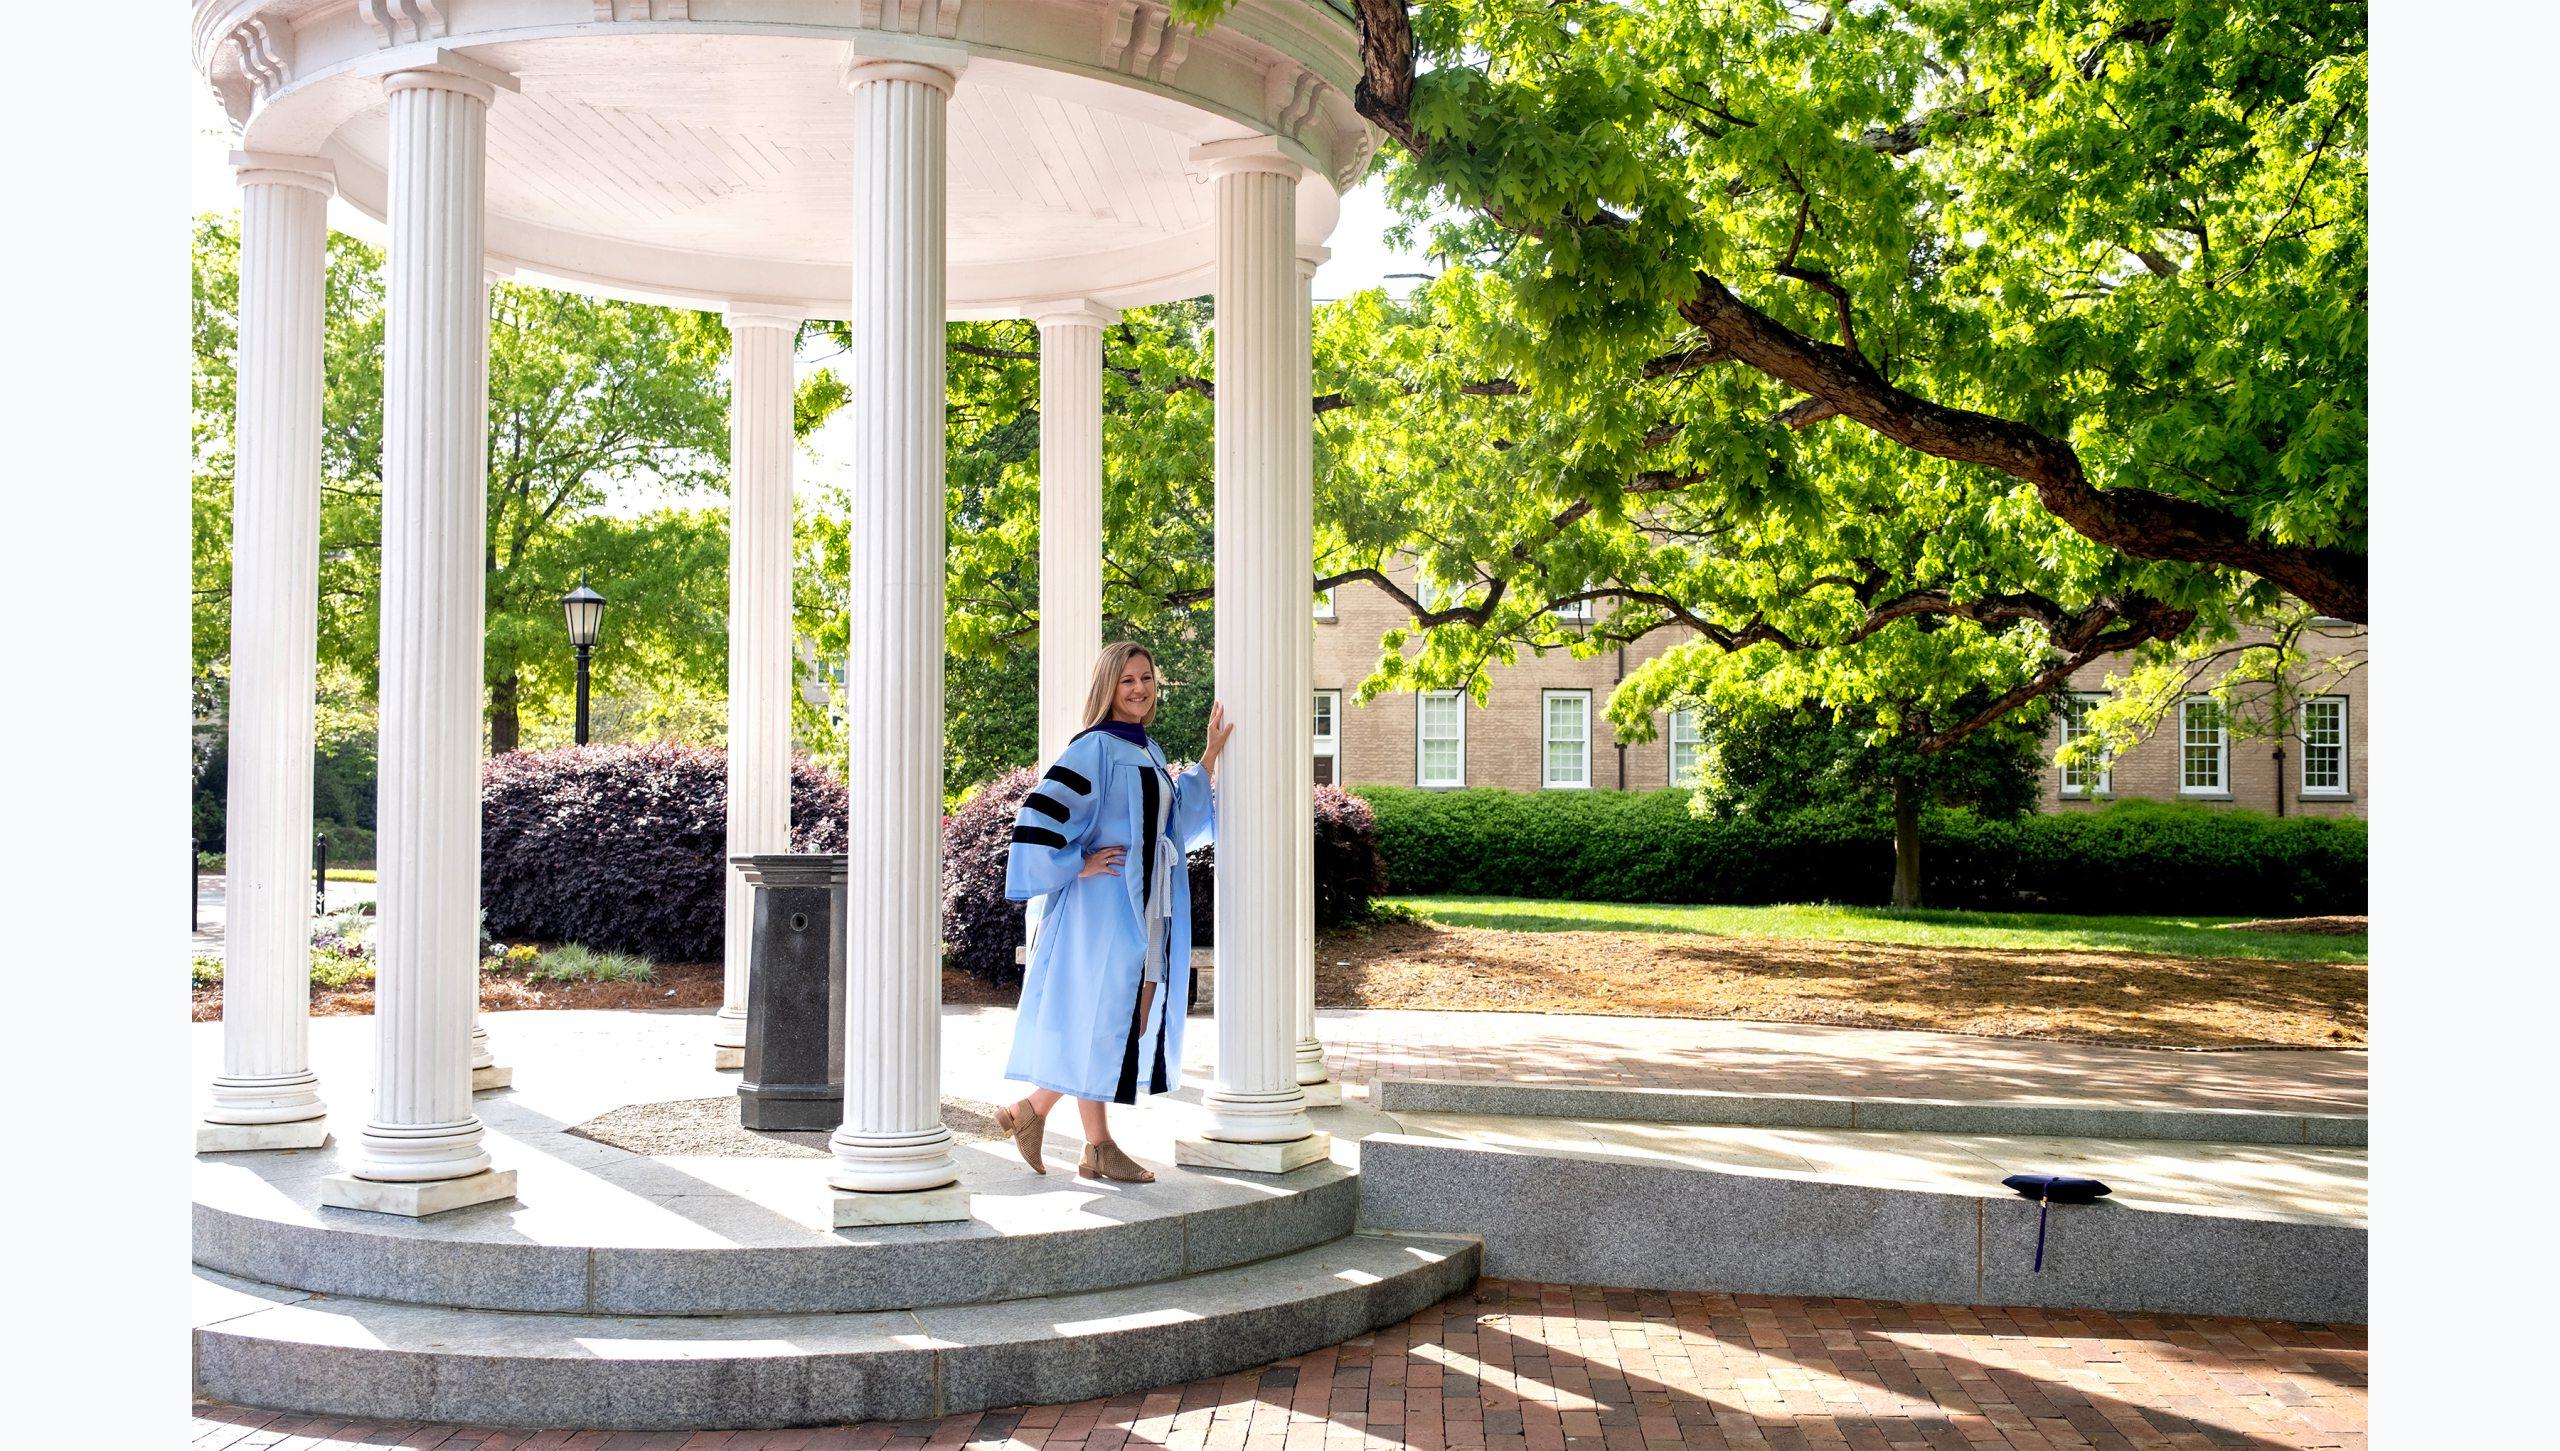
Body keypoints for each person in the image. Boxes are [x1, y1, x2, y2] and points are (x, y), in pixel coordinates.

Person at [994, 642, 1231, 1183]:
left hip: (1150, 903)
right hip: (1104, 905)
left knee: (1125, 1013)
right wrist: (1077, 862)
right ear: (1108, 687)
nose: (1139, 689)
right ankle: (1070, 1131)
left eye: (1146, 678)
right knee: (1112, 1014)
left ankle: (1056, 1125)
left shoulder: (1147, 750)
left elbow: (1175, 822)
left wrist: (1209, 759)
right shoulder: (1094, 749)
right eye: (1127, 680)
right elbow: (1039, 816)